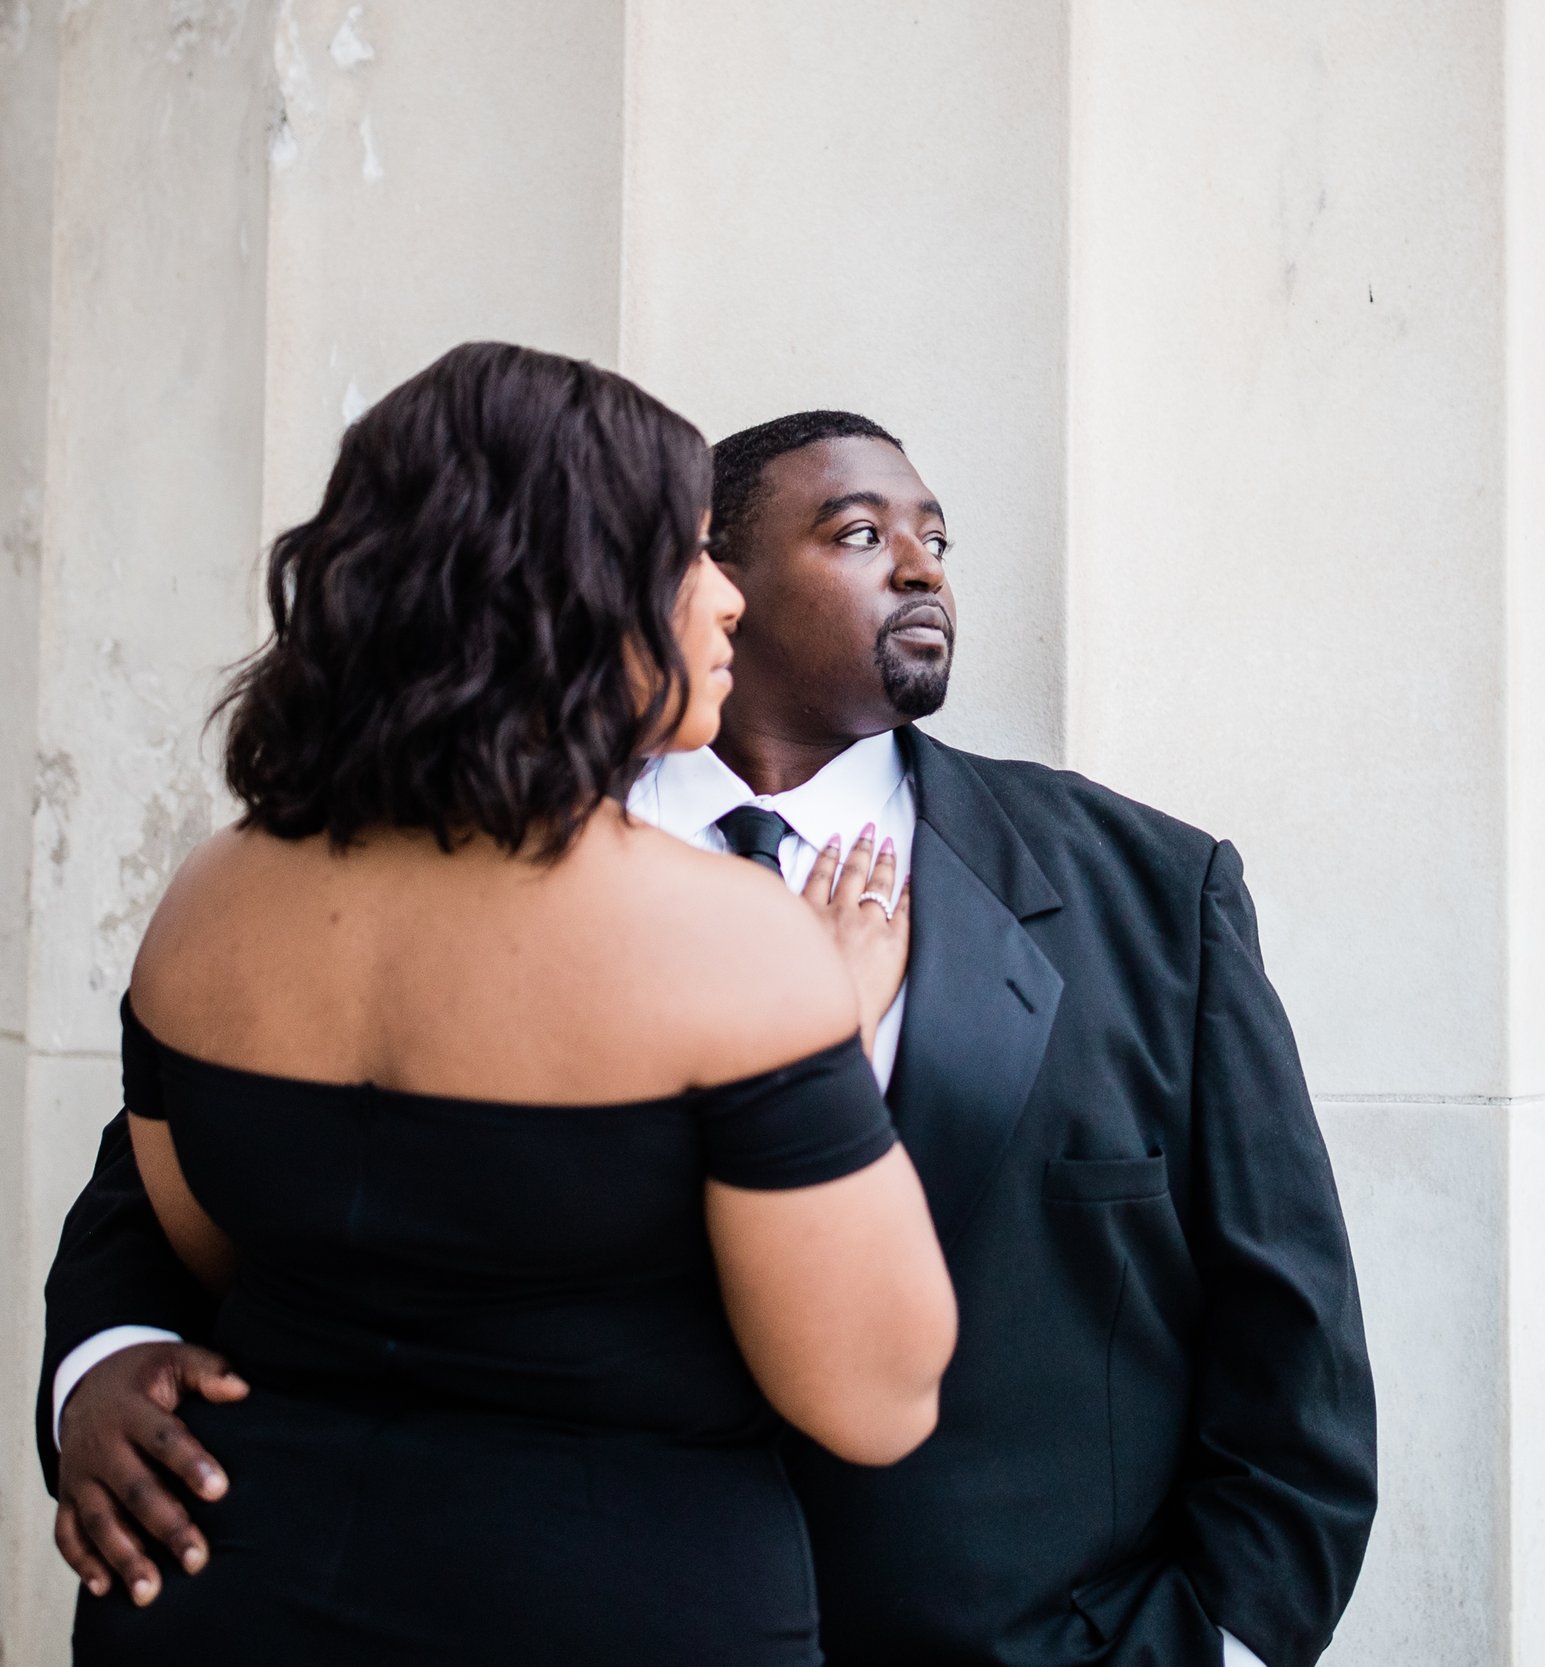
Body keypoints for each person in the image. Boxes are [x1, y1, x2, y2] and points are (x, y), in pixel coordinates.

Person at [43, 406, 1377, 1667]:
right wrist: (100, 1371)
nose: (919, 567)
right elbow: (197, 1176)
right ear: (695, 572)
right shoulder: (428, 869)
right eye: (858, 534)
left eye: (935, 537)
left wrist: (1227, 1642)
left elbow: (1290, 1329)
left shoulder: (1151, 889)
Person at [47, 345, 958, 1664]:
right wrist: (826, 1019)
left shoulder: (210, 897)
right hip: (609, 1608)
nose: (725, 602)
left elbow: (213, 1248)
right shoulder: (733, 945)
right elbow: (874, 1394)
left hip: (228, 1595)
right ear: (564, 596)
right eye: (687, 554)